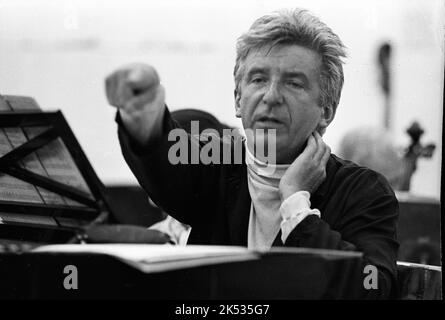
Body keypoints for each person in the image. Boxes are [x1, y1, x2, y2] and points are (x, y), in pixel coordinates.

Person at [105, 8, 399, 299]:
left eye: (294, 83)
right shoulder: (217, 165)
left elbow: (371, 289)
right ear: (237, 99)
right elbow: (167, 166)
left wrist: (297, 205)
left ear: (326, 111)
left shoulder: (363, 191)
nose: (271, 96)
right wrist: (145, 121)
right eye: (258, 79)